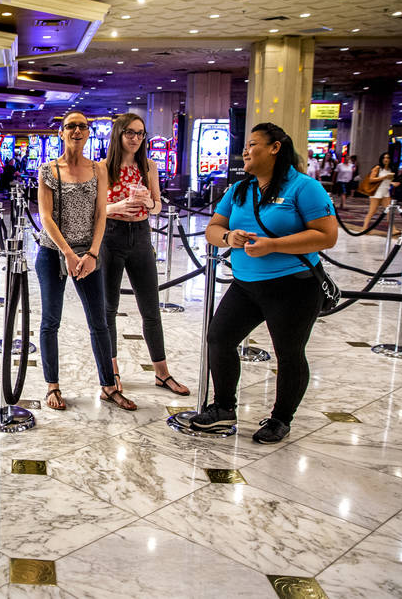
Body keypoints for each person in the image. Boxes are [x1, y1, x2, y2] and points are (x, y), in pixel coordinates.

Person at [190, 122, 337, 443]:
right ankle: (223, 408)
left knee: (288, 353)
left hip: (293, 287)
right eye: (245, 145)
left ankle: (281, 418)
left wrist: (274, 245)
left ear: (275, 148)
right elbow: (213, 228)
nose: (245, 150)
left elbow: (327, 236)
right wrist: (229, 236)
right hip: (246, 285)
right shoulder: (239, 190)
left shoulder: (304, 188)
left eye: (253, 143)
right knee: (218, 338)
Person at [36, 111, 135, 411]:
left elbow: (100, 215)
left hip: (89, 254)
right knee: (51, 320)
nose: (77, 130)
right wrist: (67, 252)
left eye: (82, 126)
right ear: (61, 133)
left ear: (89, 133)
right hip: (54, 252)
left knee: (100, 322)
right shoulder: (48, 169)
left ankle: (108, 385)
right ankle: (52, 385)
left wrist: (92, 253)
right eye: (70, 126)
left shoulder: (98, 169)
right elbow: (46, 217)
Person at [101, 114, 189, 396]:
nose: (136, 138)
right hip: (110, 235)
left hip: (140, 236)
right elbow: (96, 209)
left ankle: (162, 373)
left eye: (141, 134)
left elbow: (157, 207)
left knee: (151, 308)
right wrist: (119, 205)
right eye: (130, 133)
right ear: (119, 134)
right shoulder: (103, 168)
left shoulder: (148, 166)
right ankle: (111, 372)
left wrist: (149, 201)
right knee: (108, 309)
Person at [360, 152, 399, 231]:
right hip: (376, 192)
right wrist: (384, 177)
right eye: (384, 158)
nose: (386, 159)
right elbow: (371, 179)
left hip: (386, 191)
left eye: (388, 158)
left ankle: (393, 229)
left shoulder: (390, 169)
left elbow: (387, 181)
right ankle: (364, 228)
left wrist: (392, 183)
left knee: (389, 211)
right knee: (372, 211)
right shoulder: (378, 168)